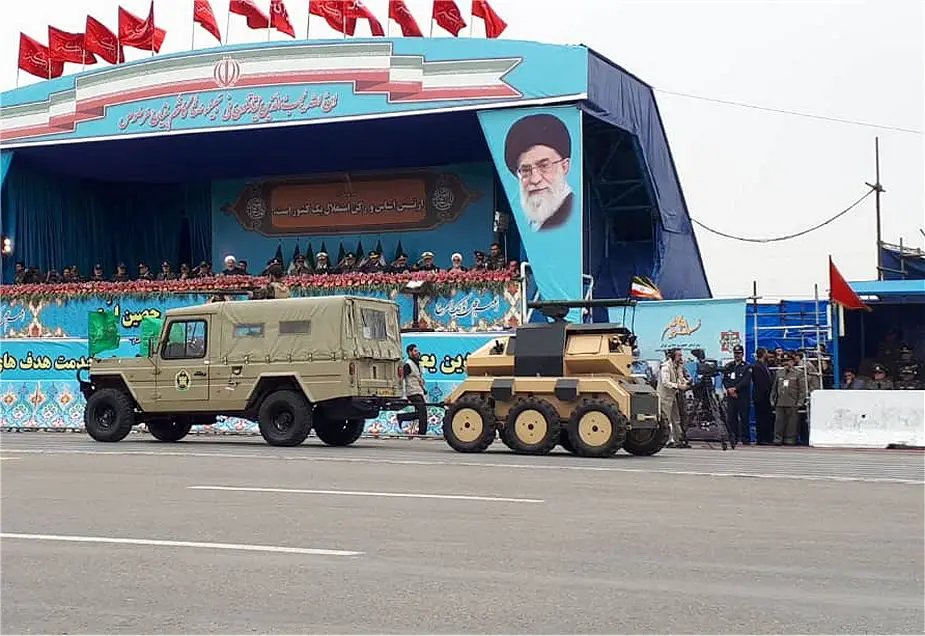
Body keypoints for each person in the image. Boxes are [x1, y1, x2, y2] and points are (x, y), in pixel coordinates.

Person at [504, 113, 574, 231]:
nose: (535, 179)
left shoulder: (572, 215)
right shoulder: (532, 222)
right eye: (526, 170)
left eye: (544, 166)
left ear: (564, 167)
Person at [657, 348, 690, 448]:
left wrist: (686, 382)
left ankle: (678, 439)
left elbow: (680, 379)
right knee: (666, 419)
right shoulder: (666, 367)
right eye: (679, 355)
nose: (681, 357)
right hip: (665, 397)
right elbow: (665, 382)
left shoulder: (677, 367)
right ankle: (667, 440)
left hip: (673, 396)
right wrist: (679, 386)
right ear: (673, 356)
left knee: (676, 418)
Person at [770, 352, 805, 445]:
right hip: (780, 401)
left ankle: (790, 439)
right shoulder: (779, 373)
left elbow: (802, 389)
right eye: (784, 361)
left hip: (793, 402)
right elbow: (774, 388)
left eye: (788, 361)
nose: (786, 363)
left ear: (793, 362)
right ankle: (778, 438)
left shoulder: (799, 373)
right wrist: (772, 399)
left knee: (792, 423)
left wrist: (800, 402)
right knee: (779, 422)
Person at [721, 344, 752, 445]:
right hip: (731, 396)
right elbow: (725, 379)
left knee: (744, 418)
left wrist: (735, 389)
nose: (737, 355)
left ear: (742, 354)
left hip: (742, 396)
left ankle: (745, 439)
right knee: (732, 418)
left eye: (739, 353)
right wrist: (729, 389)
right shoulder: (729, 366)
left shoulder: (747, 366)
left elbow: (746, 381)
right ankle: (733, 437)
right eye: (735, 353)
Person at [396, 344, 429, 438]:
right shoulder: (408, 365)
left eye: (417, 351)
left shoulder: (417, 364)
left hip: (418, 391)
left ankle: (402, 417)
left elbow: (417, 378)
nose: (417, 353)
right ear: (410, 353)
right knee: (423, 413)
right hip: (412, 392)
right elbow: (402, 378)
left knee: (421, 413)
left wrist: (423, 387)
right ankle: (422, 434)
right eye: (415, 351)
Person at [751, 347, 774, 444]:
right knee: (761, 418)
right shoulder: (757, 366)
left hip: (766, 397)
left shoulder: (764, 365)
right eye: (766, 353)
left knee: (766, 418)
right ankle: (761, 438)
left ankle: (767, 437)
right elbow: (761, 383)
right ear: (763, 354)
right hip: (761, 397)